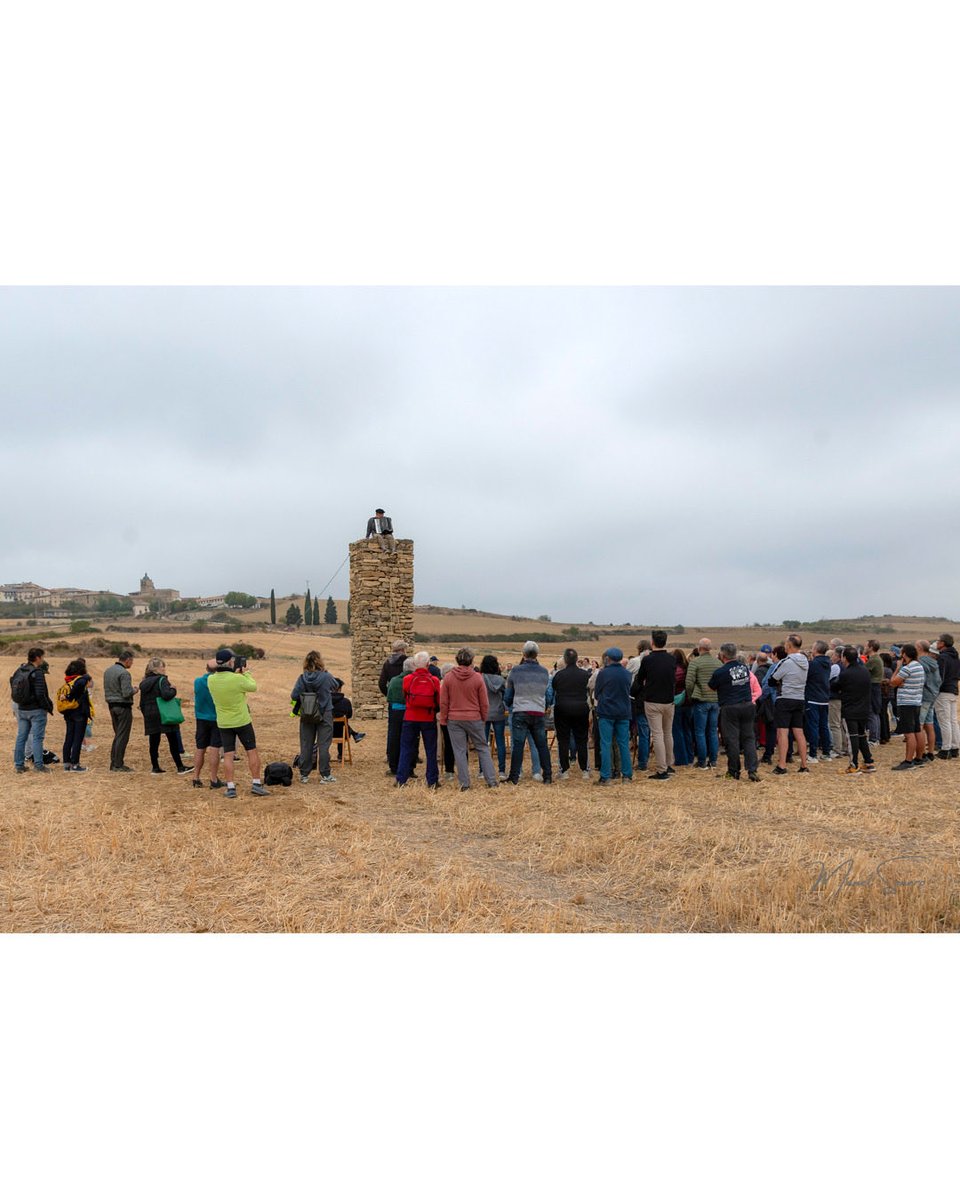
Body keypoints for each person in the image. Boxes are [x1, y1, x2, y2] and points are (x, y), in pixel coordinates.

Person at [206, 648, 269, 797]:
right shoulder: (237, 679)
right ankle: (256, 783)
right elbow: (253, 686)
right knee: (251, 751)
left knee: (228, 754)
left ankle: (230, 787)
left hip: (224, 722)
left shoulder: (211, 679)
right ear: (230, 662)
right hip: (242, 721)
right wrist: (246, 673)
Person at [439, 647, 498, 790]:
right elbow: (484, 702)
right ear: (471, 660)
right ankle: (491, 781)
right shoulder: (477, 677)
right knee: (483, 748)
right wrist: (483, 717)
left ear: (457, 660)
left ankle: (464, 783)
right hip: (474, 717)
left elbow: (444, 701)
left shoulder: (448, 677)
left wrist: (443, 718)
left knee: (459, 751)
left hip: (454, 718)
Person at [504, 641, 554, 785]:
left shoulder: (515, 671)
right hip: (538, 711)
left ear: (523, 654)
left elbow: (508, 695)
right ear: (537, 654)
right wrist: (544, 706)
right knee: (541, 745)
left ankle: (514, 777)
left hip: (520, 711)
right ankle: (548, 775)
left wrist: (509, 703)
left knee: (518, 745)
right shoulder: (544, 672)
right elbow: (548, 694)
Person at [709, 643, 760, 781]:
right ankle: (752, 770)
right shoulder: (743, 667)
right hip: (748, 705)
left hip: (730, 707)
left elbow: (712, 687)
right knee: (749, 738)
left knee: (732, 740)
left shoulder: (720, 672)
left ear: (722, 655)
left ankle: (733, 771)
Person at [291, 650, 338, 785]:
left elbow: (294, 695)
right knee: (324, 745)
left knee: (306, 744)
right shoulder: (326, 676)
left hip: (307, 712)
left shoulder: (302, 678)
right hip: (325, 712)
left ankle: (304, 774)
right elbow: (335, 685)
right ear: (320, 661)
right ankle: (325, 774)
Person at [396, 651, 441, 788]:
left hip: (410, 716)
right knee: (430, 750)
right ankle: (432, 780)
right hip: (427, 717)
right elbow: (438, 700)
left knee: (406, 748)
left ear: (415, 664)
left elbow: (405, 695)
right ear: (428, 664)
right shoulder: (434, 680)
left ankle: (401, 779)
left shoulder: (407, 679)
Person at [634, 630, 675, 781]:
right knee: (667, 733)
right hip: (669, 701)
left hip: (653, 701)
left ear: (652, 642)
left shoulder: (648, 660)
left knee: (657, 734)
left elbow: (640, 679)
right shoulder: (671, 659)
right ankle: (669, 764)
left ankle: (661, 769)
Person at [139, 657, 190, 776]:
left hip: (150, 714)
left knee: (154, 741)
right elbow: (167, 695)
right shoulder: (162, 680)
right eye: (163, 666)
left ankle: (155, 767)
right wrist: (173, 690)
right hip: (164, 714)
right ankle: (180, 766)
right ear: (157, 669)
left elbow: (142, 702)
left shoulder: (144, 682)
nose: (164, 669)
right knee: (173, 740)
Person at [767, 634, 810, 775]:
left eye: (786, 644)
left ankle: (782, 765)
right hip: (800, 698)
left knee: (782, 732)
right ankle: (804, 765)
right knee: (799, 732)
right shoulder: (805, 661)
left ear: (789, 646)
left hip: (785, 698)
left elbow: (772, 680)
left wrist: (781, 681)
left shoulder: (787, 662)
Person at [593, 647, 633, 785]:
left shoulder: (603, 673)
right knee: (623, 744)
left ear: (607, 658)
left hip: (606, 712)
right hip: (623, 712)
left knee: (605, 743)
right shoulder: (627, 674)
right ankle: (627, 775)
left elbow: (597, 692)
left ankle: (606, 776)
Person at [550, 647, 592, 778]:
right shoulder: (585, 675)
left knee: (563, 740)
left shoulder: (558, 675)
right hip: (580, 708)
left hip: (562, 708)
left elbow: (555, 688)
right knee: (582, 739)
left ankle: (564, 770)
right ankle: (585, 770)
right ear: (576, 659)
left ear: (566, 660)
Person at [833, 647, 875, 774]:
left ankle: (854, 764)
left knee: (852, 737)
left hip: (850, 710)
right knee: (861, 735)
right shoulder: (865, 671)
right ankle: (868, 762)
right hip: (864, 709)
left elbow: (835, 686)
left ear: (844, 658)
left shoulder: (846, 673)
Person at [12, 647, 53, 774]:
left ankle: (19, 765)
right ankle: (38, 765)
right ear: (38, 658)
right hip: (36, 710)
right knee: (37, 738)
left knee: (21, 737)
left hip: (22, 708)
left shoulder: (20, 670)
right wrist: (47, 707)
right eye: (42, 657)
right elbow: (41, 693)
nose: (43, 659)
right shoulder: (38, 672)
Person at [888, 643, 926, 770]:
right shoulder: (919, 666)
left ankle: (908, 761)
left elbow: (892, 682)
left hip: (906, 703)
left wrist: (898, 668)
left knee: (909, 733)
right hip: (916, 702)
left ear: (904, 654)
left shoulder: (907, 668)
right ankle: (919, 758)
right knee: (917, 730)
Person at [685, 637, 722, 769]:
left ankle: (702, 761)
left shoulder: (695, 663)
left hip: (701, 700)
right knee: (713, 731)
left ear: (699, 648)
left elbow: (689, 683)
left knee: (699, 731)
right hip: (715, 701)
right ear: (710, 648)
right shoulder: (718, 663)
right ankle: (713, 760)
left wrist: (691, 696)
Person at [191, 659, 224, 789]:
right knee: (214, 749)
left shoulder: (197, 681)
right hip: (216, 718)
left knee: (200, 748)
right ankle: (213, 779)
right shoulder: (218, 682)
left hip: (201, 718)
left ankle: (196, 777)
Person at [103, 649, 136, 772]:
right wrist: (135, 690)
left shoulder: (108, 671)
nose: (131, 664)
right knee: (123, 736)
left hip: (111, 706)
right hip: (123, 707)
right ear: (127, 660)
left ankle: (114, 762)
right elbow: (126, 692)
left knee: (118, 735)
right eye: (131, 661)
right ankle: (118, 764)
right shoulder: (124, 673)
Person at [59, 658, 93, 772]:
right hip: (79, 712)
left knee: (69, 737)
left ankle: (67, 764)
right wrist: (70, 696)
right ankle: (75, 764)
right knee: (77, 739)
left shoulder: (68, 680)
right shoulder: (81, 680)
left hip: (68, 712)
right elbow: (79, 687)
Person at [480, 654, 509, 781]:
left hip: (484, 712)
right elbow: (505, 696)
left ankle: (482, 770)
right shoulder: (501, 680)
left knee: (483, 743)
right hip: (498, 712)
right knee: (500, 742)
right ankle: (502, 771)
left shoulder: (480, 678)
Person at [803, 641, 833, 763]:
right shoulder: (828, 663)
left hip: (813, 698)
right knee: (823, 726)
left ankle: (813, 754)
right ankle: (826, 752)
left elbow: (806, 677)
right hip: (824, 698)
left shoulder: (813, 664)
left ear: (816, 649)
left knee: (813, 726)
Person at [386, 656, 414, 776]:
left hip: (395, 712)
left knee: (394, 739)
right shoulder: (414, 679)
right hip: (410, 712)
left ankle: (394, 766)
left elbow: (389, 696)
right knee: (411, 739)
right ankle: (410, 767)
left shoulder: (394, 680)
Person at [934, 633, 960, 759]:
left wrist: (935, 689)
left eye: (938, 641)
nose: (937, 643)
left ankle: (945, 749)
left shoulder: (942, 657)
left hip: (943, 691)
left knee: (944, 721)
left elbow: (940, 677)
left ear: (943, 643)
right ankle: (955, 748)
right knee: (953, 721)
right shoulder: (955, 657)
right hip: (953, 690)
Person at [916, 640, 941, 763]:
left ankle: (919, 756)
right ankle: (930, 752)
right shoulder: (934, 663)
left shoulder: (921, 662)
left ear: (919, 648)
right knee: (929, 725)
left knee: (919, 725)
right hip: (933, 695)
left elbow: (921, 680)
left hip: (924, 696)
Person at [331, 678, 365, 762]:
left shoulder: (325, 701)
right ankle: (340, 756)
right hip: (342, 733)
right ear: (339, 689)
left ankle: (324, 756)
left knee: (336, 724)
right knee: (342, 725)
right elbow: (349, 716)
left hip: (326, 732)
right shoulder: (346, 702)